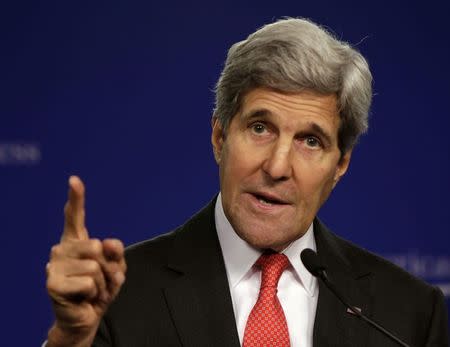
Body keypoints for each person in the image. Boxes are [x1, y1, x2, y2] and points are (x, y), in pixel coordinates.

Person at [45, 18, 449, 346]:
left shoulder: (409, 315)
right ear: (220, 137)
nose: (277, 166)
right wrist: (69, 339)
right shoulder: (118, 297)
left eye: (310, 141)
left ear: (340, 164)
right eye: (260, 128)